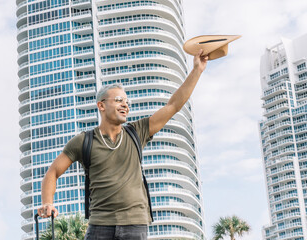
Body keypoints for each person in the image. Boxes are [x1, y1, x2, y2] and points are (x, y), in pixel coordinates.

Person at [37, 50, 208, 239]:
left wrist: (197, 71)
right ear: (101, 105)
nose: (125, 104)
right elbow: (52, 172)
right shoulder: (83, 141)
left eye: (127, 101)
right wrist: (47, 202)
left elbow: (173, 106)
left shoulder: (138, 131)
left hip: (135, 224)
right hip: (99, 225)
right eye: (118, 100)